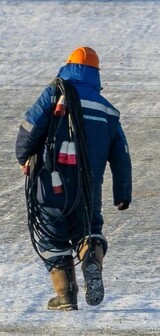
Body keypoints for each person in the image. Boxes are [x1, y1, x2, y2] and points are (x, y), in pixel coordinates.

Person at [16, 47, 131, 310]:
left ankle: (66, 295)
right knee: (88, 230)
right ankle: (91, 256)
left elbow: (30, 127)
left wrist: (23, 156)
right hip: (89, 188)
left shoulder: (55, 92)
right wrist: (123, 194)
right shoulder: (108, 111)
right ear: (96, 75)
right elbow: (122, 155)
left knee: (51, 236)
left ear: (68, 66)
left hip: (51, 182)